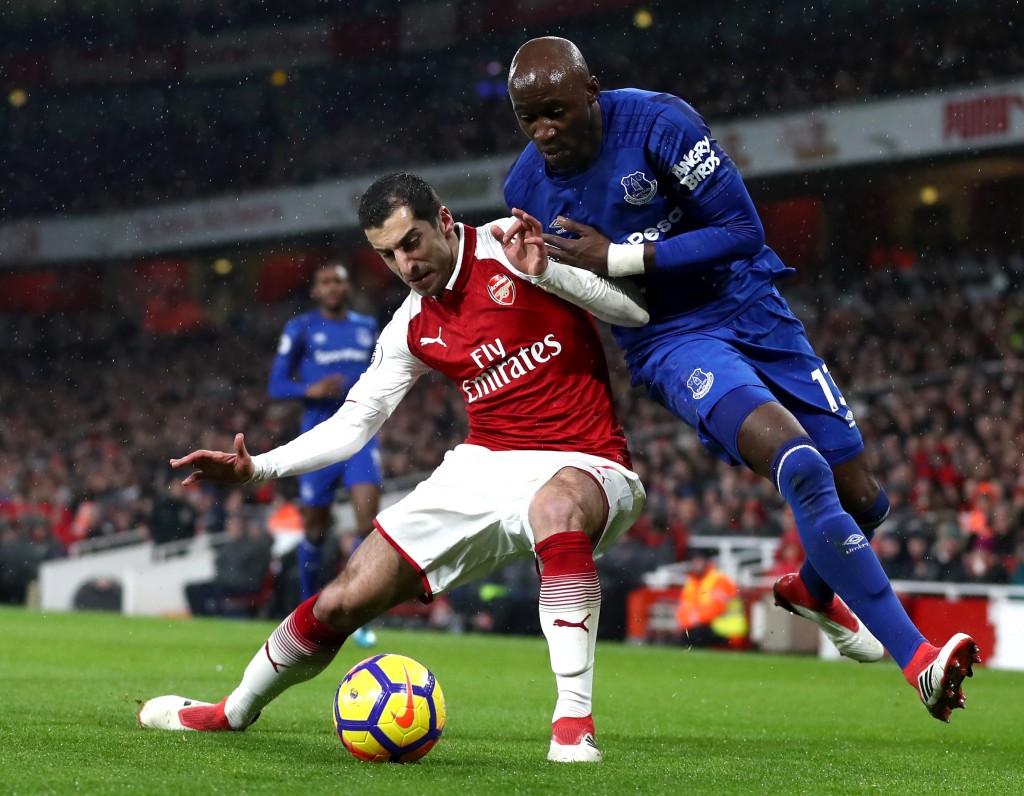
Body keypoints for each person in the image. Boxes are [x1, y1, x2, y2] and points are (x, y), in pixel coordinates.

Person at [502, 36, 979, 722]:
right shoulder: (525, 187)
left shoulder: (661, 124)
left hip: (751, 302)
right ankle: (920, 661)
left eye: (555, 111)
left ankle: (810, 592)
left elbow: (742, 229)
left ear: (591, 92)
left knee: (866, 501)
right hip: (670, 339)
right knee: (803, 467)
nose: (544, 131)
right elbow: (580, 291)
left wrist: (622, 255)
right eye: (528, 118)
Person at [138, 172, 648, 763]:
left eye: (411, 242)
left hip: (588, 460)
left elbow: (634, 312)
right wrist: (259, 469)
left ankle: (572, 725)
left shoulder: (514, 245)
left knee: (553, 509)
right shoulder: (410, 325)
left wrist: (548, 274)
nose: (404, 264)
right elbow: (354, 425)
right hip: (486, 464)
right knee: (342, 600)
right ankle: (232, 711)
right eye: (386, 254)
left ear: (446, 222)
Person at [268, 261, 382, 647]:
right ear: (316, 291)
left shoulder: (367, 327)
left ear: (348, 288)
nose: (333, 287)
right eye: (326, 282)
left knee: (368, 523)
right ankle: (307, 611)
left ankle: (356, 615)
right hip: (318, 437)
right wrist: (310, 391)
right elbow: (277, 384)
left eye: (340, 280)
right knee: (315, 529)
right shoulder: (301, 328)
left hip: (363, 435)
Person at [185, 513, 274, 618]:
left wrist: (258, 535)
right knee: (192, 588)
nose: (231, 529)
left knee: (218, 589)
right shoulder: (230, 545)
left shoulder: (253, 543)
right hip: (229, 582)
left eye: (234, 525)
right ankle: (200, 618)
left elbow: (240, 562)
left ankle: (216, 617)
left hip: (246, 584)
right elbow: (221, 563)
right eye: (229, 526)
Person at [674, 549, 748, 648]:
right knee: (687, 636)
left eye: (699, 560)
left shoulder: (719, 580)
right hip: (707, 627)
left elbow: (716, 608)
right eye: (694, 561)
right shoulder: (691, 583)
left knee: (694, 636)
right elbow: (683, 608)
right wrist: (687, 622)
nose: (696, 564)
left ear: (707, 562)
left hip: (728, 629)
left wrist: (693, 619)